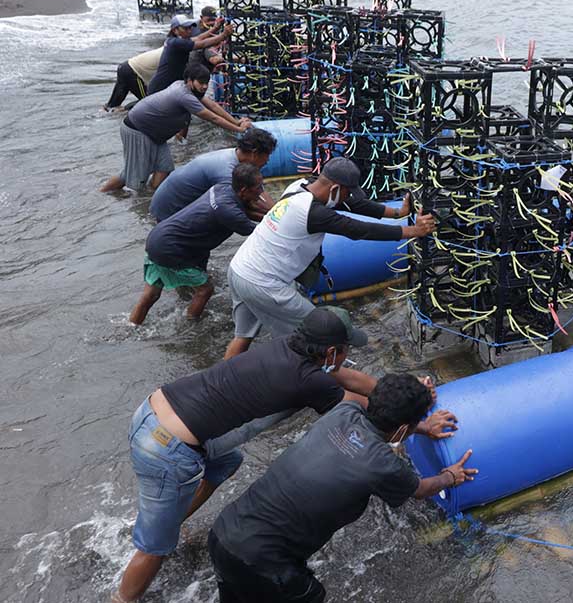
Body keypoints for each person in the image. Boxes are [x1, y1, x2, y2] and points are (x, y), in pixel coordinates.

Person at [113, 307, 453, 603]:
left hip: (154, 411)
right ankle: (122, 597)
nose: (347, 356)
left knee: (227, 463)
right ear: (332, 350)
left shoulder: (287, 348)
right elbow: (373, 411)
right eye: (346, 349)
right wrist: (422, 421)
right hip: (167, 446)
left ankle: (174, 519)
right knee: (154, 549)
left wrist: (405, 391)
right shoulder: (311, 382)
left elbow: (354, 385)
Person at [207, 373, 476, 603]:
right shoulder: (382, 464)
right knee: (311, 595)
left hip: (224, 532)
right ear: (402, 429)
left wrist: (420, 425)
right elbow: (420, 489)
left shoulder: (344, 412)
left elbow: (387, 418)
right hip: (262, 562)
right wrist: (449, 476)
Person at [223, 157, 435, 359]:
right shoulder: (314, 213)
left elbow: (356, 205)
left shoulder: (301, 186)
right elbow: (359, 229)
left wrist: (398, 213)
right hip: (263, 283)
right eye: (346, 193)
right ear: (334, 188)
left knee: (243, 336)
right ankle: (302, 380)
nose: (347, 198)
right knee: (315, 330)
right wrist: (413, 231)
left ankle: (223, 382)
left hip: (239, 269)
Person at [129, 164, 263, 325]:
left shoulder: (222, 188)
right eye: (258, 188)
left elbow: (246, 210)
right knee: (205, 289)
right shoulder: (229, 211)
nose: (261, 191)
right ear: (243, 190)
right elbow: (261, 232)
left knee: (151, 295)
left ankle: (133, 326)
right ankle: (191, 326)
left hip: (158, 238)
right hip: (171, 249)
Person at [100, 63, 251, 193]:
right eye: (201, 82)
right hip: (138, 129)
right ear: (190, 81)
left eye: (206, 82)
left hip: (154, 133)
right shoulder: (183, 95)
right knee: (134, 174)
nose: (205, 86)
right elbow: (212, 117)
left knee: (164, 168)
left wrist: (236, 122)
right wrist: (237, 130)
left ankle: (151, 197)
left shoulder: (188, 88)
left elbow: (212, 105)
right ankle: (104, 193)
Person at [149, 127, 276, 222]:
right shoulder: (227, 172)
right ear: (254, 153)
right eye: (267, 156)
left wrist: (278, 209)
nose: (268, 161)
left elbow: (259, 191)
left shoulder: (236, 156)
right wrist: (275, 220)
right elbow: (239, 209)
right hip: (167, 211)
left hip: (167, 200)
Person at [147, 14, 231, 95]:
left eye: (190, 27)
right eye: (185, 28)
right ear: (175, 30)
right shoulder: (177, 43)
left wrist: (215, 28)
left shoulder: (174, 40)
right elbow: (203, 44)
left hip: (168, 86)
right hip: (160, 89)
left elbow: (199, 38)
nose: (189, 30)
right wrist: (223, 35)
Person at [104, 46, 163, 110]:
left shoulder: (168, 47)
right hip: (133, 72)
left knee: (111, 106)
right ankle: (123, 110)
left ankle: (102, 116)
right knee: (149, 103)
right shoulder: (172, 53)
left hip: (126, 66)